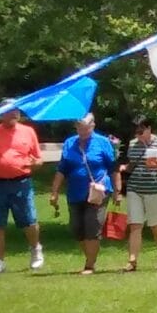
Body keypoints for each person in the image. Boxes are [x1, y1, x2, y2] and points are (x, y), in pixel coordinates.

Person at [50, 114, 117, 275]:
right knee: (77, 228)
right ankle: (90, 257)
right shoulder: (69, 143)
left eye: (85, 128)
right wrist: (54, 192)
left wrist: (117, 191)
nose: (82, 131)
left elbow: (113, 168)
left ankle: (90, 265)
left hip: (98, 191)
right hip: (75, 193)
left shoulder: (102, 142)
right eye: (79, 128)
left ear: (93, 126)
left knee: (92, 225)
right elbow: (62, 170)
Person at [0, 106, 45, 273]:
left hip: (22, 182)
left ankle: (35, 250)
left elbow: (38, 159)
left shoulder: (28, 131)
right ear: (2, 114)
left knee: (29, 220)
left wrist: (35, 164)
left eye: (16, 111)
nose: (13, 114)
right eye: (9, 111)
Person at [117, 116, 157, 272]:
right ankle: (132, 261)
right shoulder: (134, 144)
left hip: (154, 189)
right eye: (136, 132)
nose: (138, 135)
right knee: (135, 225)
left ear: (149, 129)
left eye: (141, 131)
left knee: (155, 225)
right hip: (135, 188)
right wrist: (123, 167)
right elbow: (132, 165)